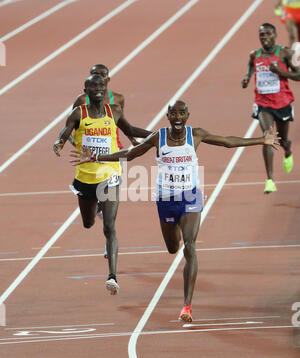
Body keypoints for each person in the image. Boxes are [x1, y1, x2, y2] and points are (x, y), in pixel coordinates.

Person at [70, 100, 280, 322]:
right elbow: (130, 154)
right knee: (173, 248)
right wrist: (96, 158)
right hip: (166, 200)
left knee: (190, 247)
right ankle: (177, 230)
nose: (178, 117)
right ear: (168, 116)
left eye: (182, 113)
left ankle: (186, 307)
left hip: (190, 197)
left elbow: (227, 141)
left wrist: (261, 140)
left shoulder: (195, 134)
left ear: (188, 115)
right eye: (174, 113)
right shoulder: (158, 138)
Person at [53, 74, 151, 296]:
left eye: (101, 85)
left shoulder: (114, 111)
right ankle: (95, 211)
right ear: (85, 90)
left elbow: (131, 130)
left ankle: (112, 276)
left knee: (109, 226)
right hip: (85, 177)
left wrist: (158, 135)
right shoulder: (79, 113)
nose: (98, 88)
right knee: (88, 223)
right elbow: (65, 131)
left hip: (110, 175)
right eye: (93, 86)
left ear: (106, 87)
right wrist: (59, 142)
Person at [241, 23, 300, 193]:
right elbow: (251, 66)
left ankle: (287, 151)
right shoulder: (254, 55)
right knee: (268, 137)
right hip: (263, 104)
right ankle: (270, 180)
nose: (264, 37)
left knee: (283, 140)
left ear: (275, 35)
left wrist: (282, 72)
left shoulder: (285, 53)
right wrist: (247, 77)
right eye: (261, 35)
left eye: (268, 34)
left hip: (282, 103)